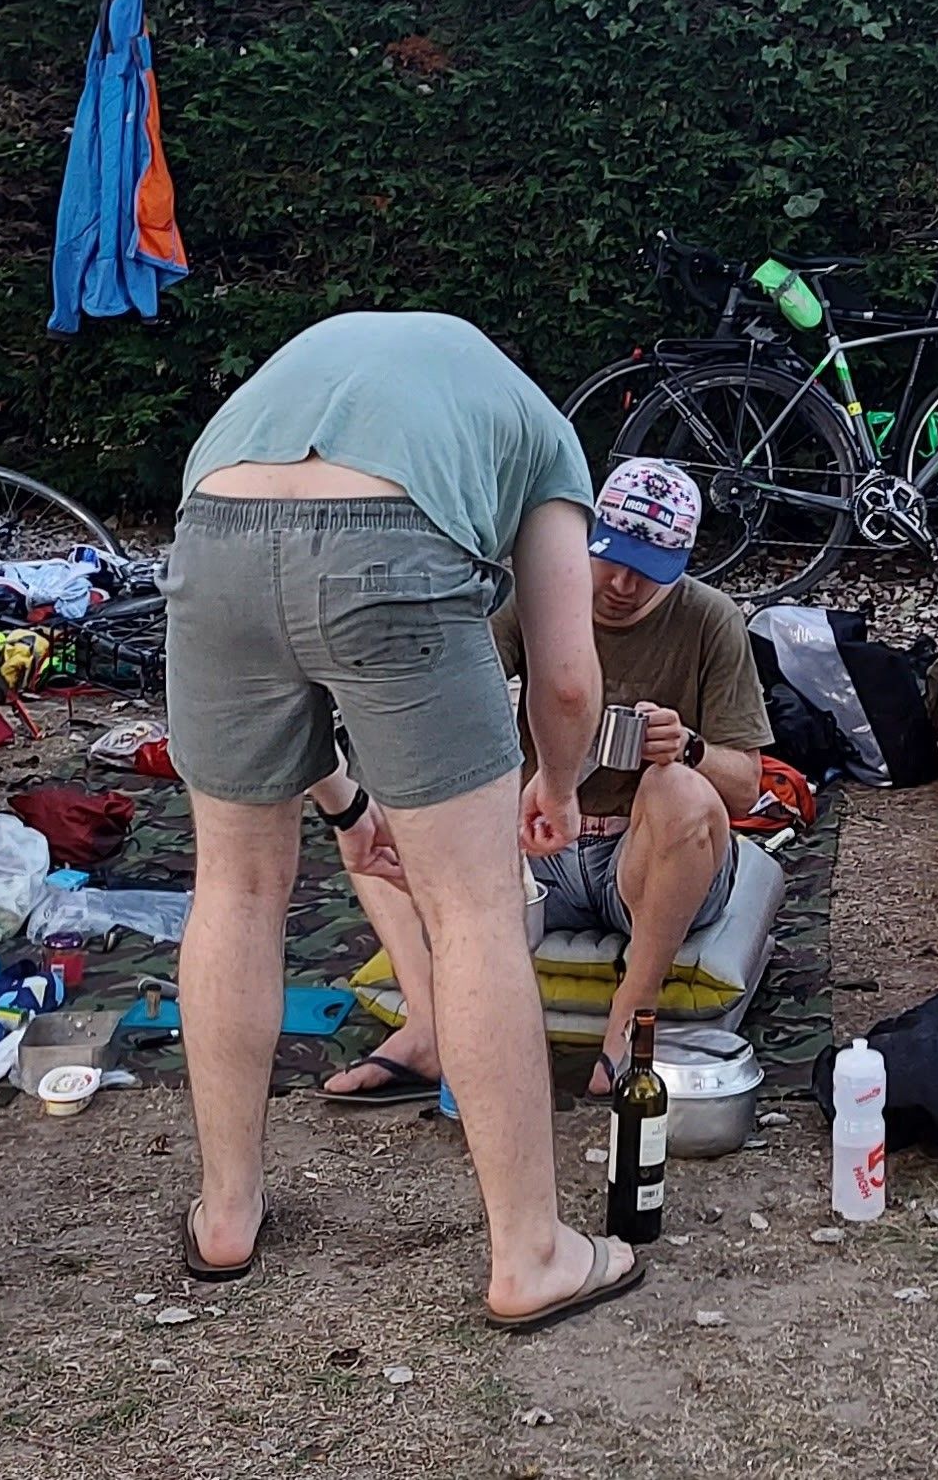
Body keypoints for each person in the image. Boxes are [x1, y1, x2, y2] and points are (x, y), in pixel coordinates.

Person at [163, 309, 646, 1331]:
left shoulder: (315, 359)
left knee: (236, 886)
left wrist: (341, 799)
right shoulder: (540, 429)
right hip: (393, 536)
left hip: (210, 532)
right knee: (472, 908)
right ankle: (529, 1251)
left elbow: (284, 584)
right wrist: (557, 787)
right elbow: (565, 681)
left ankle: (225, 1211)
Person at [316, 456, 776, 1102]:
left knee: (681, 790)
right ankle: (428, 1027)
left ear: (680, 567)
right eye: (609, 559)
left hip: (642, 859)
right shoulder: (539, 595)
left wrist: (690, 747)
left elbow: (748, 784)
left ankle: (627, 1025)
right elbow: (451, 702)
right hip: (542, 846)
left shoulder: (711, 620)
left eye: (646, 575)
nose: (619, 584)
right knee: (377, 807)